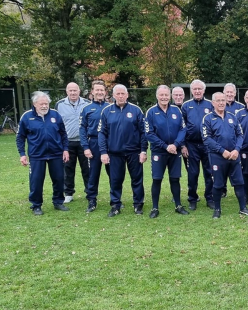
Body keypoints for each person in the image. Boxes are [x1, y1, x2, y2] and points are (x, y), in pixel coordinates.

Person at [202, 92, 248, 218]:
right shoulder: (208, 119)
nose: (221, 103)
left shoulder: (233, 117)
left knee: (239, 182)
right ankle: (217, 209)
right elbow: (207, 138)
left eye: (223, 100)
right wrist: (222, 151)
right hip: (217, 157)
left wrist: (237, 149)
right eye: (218, 100)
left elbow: (240, 135)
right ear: (213, 103)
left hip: (234, 156)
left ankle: (243, 208)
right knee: (218, 184)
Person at [98, 84, 148, 217]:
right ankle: (115, 205)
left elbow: (143, 133)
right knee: (115, 180)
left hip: (134, 152)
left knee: (137, 179)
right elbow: (102, 133)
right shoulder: (107, 111)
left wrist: (143, 150)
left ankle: (138, 205)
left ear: (127, 95)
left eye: (123, 94)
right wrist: (103, 152)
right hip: (115, 153)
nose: (120, 96)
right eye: (118, 94)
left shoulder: (136, 110)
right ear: (113, 95)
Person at [17, 91, 70, 215]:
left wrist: (65, 149)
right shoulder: (27, 116)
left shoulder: (55, 115)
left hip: (56, 153)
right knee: (36, 180)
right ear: (35, 104)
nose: (44, 106)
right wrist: (22, 154)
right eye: (42, 104)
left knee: (59, 179)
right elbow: (20, 137)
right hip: (37, 155)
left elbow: (63, 134)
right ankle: (36, 205)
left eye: (46, 103)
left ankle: (58, 202)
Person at [145, 85, 188, 218]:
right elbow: (149, 133)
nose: (164, 97)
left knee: (175, 179)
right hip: (159, 152)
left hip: (175, 152)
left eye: (166, 95)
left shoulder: (176, 110)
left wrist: (175, 145)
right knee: (157, 179)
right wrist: (165, 146)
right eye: (161, 95)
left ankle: (178, 205)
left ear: (170, 96)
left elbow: (183, 129)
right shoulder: (151, 112)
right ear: (157, 96)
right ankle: (155, 208)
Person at [181, 80, 215, 210]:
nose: (197, 91)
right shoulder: (186, 106)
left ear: (204, 90)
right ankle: (192, 199)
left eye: (199, 89)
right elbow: (182, 127)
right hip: (191, 145)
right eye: (194, 89)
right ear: (191, 90)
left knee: (209, 172)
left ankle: (210, 197)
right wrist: (183, 145)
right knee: (193, 174)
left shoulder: (210, 105)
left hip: (207, 145)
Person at [55, 82, 91, 203]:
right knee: (68, 169)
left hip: (84, 142)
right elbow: (57, 124)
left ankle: (90, 191)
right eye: (70, 90)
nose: (73, 93)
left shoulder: (87, 103)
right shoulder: (59, 104)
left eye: (75, 90)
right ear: (66, 92)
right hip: (67, 142)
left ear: (79, 91)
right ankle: (68, 193)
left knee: (87, 168)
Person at [79, 80, 110, 212]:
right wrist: (85, 147)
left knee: (113, 173)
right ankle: (92, 200)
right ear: (92, 92)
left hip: (109, 144)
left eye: (101, 90)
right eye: (97, 90)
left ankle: (115, 199)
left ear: (105, 92)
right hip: (93, 144)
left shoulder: (110, 108)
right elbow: (82, 129)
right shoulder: (86, 109)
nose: (99, 92)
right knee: (93, 174)